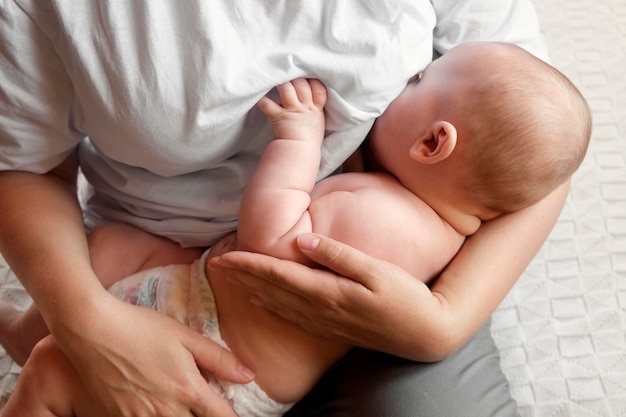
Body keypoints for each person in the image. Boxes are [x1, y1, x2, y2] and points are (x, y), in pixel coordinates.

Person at [0, 1, 577, 416]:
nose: (410, 77)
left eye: (418, 76)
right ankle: (39, 330)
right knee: (99, 264)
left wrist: (443, 321)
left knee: (54, 368)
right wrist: (84, 319)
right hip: (184, 258)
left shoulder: (376, 215)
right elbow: (21, 166)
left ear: (432, 143)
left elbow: (270, 240)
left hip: (216, 331)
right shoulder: (433, 222)